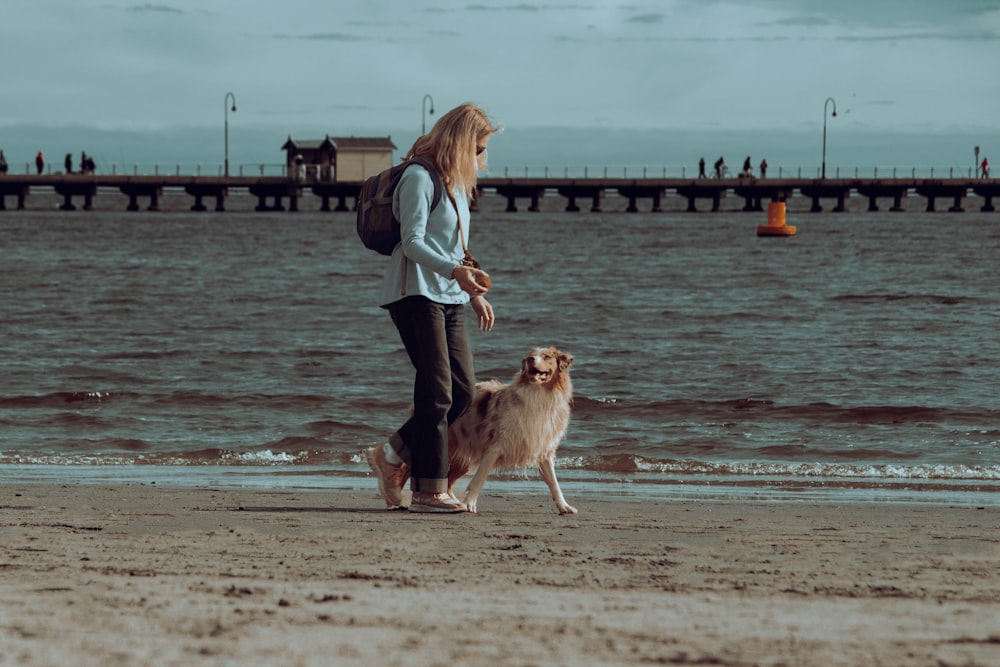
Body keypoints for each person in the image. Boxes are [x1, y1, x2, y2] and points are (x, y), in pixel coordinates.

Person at [365, 102, 499, 513]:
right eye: (477, 148)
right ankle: (428, 490)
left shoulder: (457, 184)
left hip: (451, 296)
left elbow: (454, 246)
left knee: (460, 393)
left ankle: (390, 456)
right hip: (415, 293)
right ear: (459, 142)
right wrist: (455, 273)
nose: (481, 157)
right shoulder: (419, 178)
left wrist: (472, 290)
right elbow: (414, 242)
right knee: (437, 392)